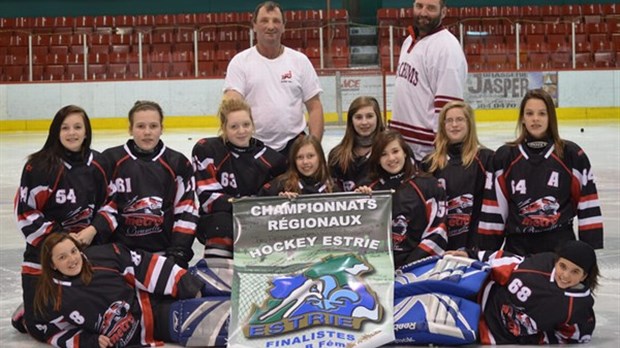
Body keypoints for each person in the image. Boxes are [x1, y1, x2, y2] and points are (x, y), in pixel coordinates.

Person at [30, 233, 229, 347]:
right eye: (62, 257)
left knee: (204, 279)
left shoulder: (103, 257)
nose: (72, 260)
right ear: (52, 265)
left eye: (73, 251)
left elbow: (144, 265)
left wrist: (185, 284)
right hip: (157, 321)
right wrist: (87, 341)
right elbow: (46, 330)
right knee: (212, 318)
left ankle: (254, 285)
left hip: (153, 296)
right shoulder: (52, 299)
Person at [12, 105, 108, 336]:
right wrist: (61, 240)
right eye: (65, 128)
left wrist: (94, 230)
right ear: (56, 131)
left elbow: (110, 205)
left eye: (77, 127)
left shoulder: (99, 164)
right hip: (44, 253)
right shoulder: (39, 166)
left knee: (96, 319)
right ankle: (27, 312)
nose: (72, 133)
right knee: (42, 328)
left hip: (86, 248)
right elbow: (26, 212)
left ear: (86, 132)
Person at [395, 240, 599, 345]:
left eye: (575, 272)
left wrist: (530, 338)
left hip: (486, 331)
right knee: (422, 284)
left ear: (584, 276)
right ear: (557, 261)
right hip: (478, 291)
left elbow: (571, 337)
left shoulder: (579, 308)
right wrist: (469, 254)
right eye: (563, 266)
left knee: (419, 321)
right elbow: (502, 259)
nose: (565, 275)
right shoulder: (539, 265)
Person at [477, 89, 604, 255]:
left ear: (550, 117)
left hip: (560, 252)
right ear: (522, 118)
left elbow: (588, 204)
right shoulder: (504, 157)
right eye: (529, 113)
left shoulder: (571, 155)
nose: (535, 119)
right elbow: (494, 209)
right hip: (517, 251)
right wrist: (486, 251)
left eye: (542, 114)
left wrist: (587, 253)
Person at [91, 100, 198, 268]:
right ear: (130, 129)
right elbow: (99, 209)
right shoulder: (110, 160)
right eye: (140, 126)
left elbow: (186, 212)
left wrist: (177, 253)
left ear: (161, 128)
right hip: (118, 256)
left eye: (153, 126)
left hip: (162, 255)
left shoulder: (177, 163)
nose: (147, 132)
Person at [223, 1, 324, 157]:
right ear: (254, 25)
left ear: (284, 26)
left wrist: (313, 147)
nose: (271, 26)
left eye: (276, 21)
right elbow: (231, 106)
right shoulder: (240, 62)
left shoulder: (300, 61)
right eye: (264, 20)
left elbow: (315, 108)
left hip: (294, 145)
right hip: (253, 145)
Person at [192, 98, 286, 258]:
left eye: (246, 125)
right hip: (219, 222)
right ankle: (218, 274)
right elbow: (208, 200)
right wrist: (246, 205)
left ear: (253, 125)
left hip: (258, 221)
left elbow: (280, 200)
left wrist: (284, 197)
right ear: (224, 128)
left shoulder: (273, 160)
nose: (241, 131)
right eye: (234, 126)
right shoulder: (207, 150)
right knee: (221, 222)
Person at [356, 130, 447, 268]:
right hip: (378, 271)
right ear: (378, 159)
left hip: (419, 269)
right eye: (383, 154)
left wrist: (409, 266)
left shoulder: (428, 185)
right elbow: (355, 237)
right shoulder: (368, 189)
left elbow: (438, 233)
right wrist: (358, 205)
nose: (391, 158)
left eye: (395, 151)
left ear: (405, 152)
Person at [390, 0, 468, 161]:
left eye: (431, 8)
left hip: (427, 154)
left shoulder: (446, 48)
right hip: (404, 150)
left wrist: (441, 154)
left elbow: (448, 108)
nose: (423, 12)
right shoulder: (409, 41)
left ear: (444, 12)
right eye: (419, 6)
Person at [421, 101, 494, 250]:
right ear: (443, 125)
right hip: (440, 247)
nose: (454, 124)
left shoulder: (486, 159)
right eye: (449, 120)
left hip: (475, 246)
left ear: (469, 124)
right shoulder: (430, 164)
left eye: (460, 119)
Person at [328, 96, 386, 192]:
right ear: (351, 121)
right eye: (358, 117)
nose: (364, 122)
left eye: (369, 116)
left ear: (378, 118)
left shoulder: (389, 152)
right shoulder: (336, 156)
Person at [259, 135, 335, 198]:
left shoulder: (332, 187)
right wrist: (277, 202)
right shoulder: (281, 185)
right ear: (294, 160)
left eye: (310, 156)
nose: (305, 162)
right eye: (300, 157)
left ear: (320, 157)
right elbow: (256, 206)